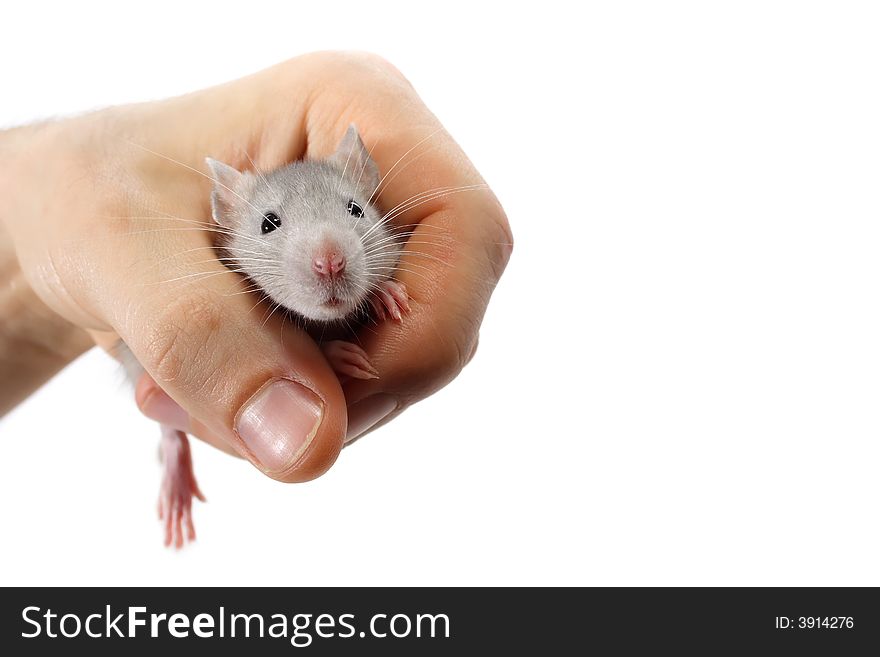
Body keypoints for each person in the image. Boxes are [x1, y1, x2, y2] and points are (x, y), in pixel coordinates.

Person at [0, 52, 512, 483]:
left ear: (369, 194)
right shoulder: (220, 269)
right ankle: (171, 441)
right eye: (270, 223)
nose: (330, 259)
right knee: (160, 377)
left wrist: (380, 293)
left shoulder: (375, 254)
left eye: (353, 210)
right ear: (228, 215)